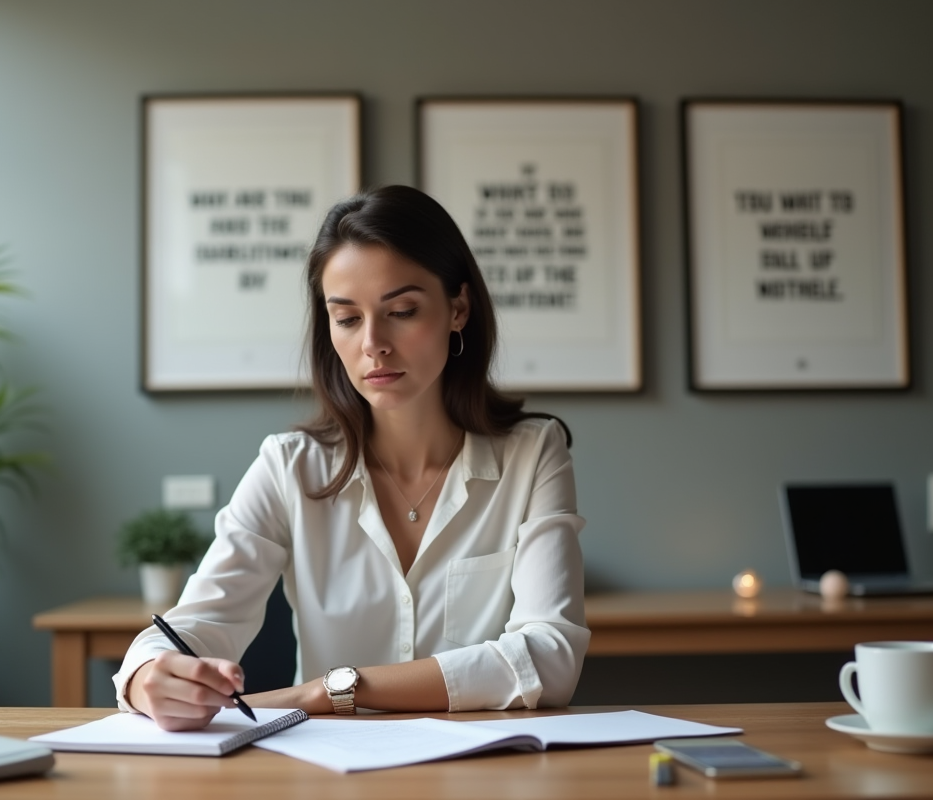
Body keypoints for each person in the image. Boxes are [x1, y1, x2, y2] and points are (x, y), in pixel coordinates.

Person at [114, 185, 588, 731]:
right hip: (327, 775)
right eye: (347, 318)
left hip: (483, 771)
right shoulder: (289, 467)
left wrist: (329, 691)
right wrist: (144, 674)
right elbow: (195, 622)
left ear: (458, 308)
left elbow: (549, 658)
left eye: (402, 311)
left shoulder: (534, 453)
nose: (374, 344)